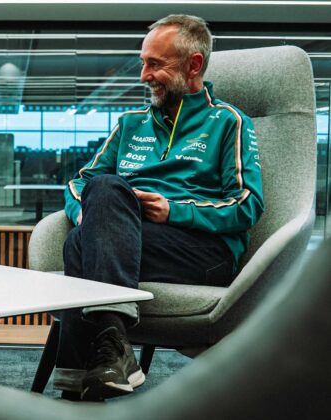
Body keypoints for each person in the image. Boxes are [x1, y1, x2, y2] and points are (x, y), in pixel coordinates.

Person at [54, 15, 264, 401]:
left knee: (80, 244)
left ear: (193, 65)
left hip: (202, 252)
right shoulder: (130, 124)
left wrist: (173, 210)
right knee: (103, 191)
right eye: (143, 62)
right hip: (129, 239)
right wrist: (91, 215)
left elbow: (248, 205)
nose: (143, 75)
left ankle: (75, 373)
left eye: (155, 64)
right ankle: (111, 351)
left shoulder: (229, 122)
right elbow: (79, 183)